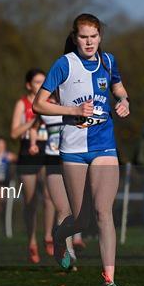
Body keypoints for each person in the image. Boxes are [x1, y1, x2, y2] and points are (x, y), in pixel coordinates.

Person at [33, 13, 130, 286]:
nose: (89, 42)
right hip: (73, 150)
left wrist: (124, 102)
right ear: (75, 38)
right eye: (83, 37)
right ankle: (61, 237)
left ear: (100, 37)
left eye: (94, 36)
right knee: (81, 219)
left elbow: (119, 90)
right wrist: (73, 111)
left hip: (104, 147)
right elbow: (39, 104)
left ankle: (109, 278)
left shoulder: (109, 61)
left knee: (103, 211)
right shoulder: (64, 65)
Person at [30, 93, 85, 267]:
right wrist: (33, 143)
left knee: (77, 208)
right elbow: (34, 126)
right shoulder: (46, 109)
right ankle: (67, 253)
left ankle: (72, 241)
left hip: (73, 160)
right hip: (53, 162)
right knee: (62, 208)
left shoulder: (77, 106)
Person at [10, 69, 56, 263]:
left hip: (48, 150)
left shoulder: (51, 101)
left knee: (50, 195)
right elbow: (13, 133)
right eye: (37, 82)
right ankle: (31, 241)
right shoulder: (22, 104)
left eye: (43, 82)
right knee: (30, 202)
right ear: (29, 85)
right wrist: (32, 122)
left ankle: (48, 236)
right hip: (28, 152)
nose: (41, 85)